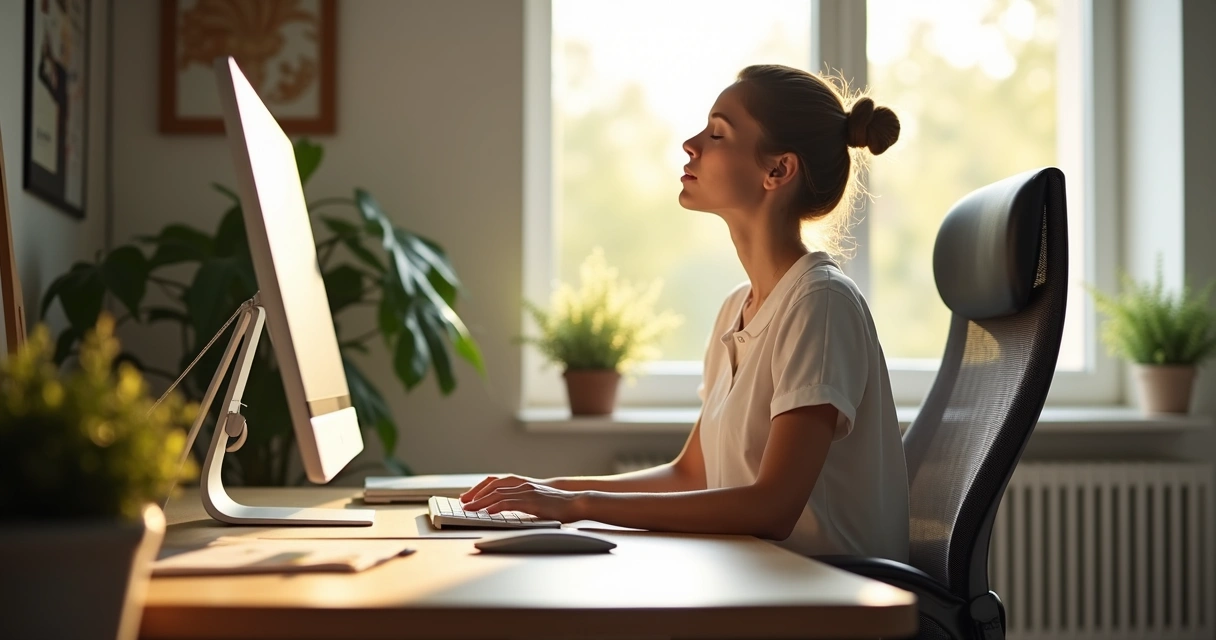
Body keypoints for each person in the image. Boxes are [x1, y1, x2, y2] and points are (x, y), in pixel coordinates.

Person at [463, 64, 909, 560]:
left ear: (777, 170)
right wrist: (546, 491)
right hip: (759, 581)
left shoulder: (820, 304)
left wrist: (579, 503)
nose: (690, 144)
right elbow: (689, 474)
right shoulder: (736, 309)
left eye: (718, 132)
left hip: (826, 604)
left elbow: (772, 508)